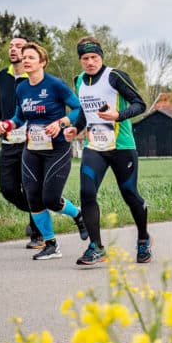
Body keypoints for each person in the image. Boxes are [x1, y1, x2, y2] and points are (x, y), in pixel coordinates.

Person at [63, 37, 152, 265]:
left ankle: (143, 238)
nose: (90, 62)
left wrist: (118, 115)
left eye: (94, 57)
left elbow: (139, 104)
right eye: (85, 58)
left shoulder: (115, 76)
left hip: (122, 147)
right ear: (80, 60)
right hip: (95, 147)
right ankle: (96, 247)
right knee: (87, 193)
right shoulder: (79, 80)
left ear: (101, 56)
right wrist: (76, 128)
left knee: (130, 195)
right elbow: (85, 112)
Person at [0, 42, 87, 260]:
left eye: (31, 57)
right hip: (32, 149)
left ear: (42, 62)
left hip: (57, 149)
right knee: (34, 198)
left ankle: (79, 214)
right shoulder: (21, 88)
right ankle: (51, 244)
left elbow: (77, 109)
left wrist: (61, 122)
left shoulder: (55, 85)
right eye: (24, 57)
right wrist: (7, 124)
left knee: (51, 199)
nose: (26, 60)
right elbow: (20, 117)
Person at [0, 36, 43, 248]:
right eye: (10, 46)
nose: (13, 49)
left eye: (18, 46)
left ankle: (38, 232)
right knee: (7, 188)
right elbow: (0, 105)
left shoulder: (35, 78)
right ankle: (38, 213)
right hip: (9, 141)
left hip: (32, 141)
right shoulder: (2, 76)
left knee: (30, 187)